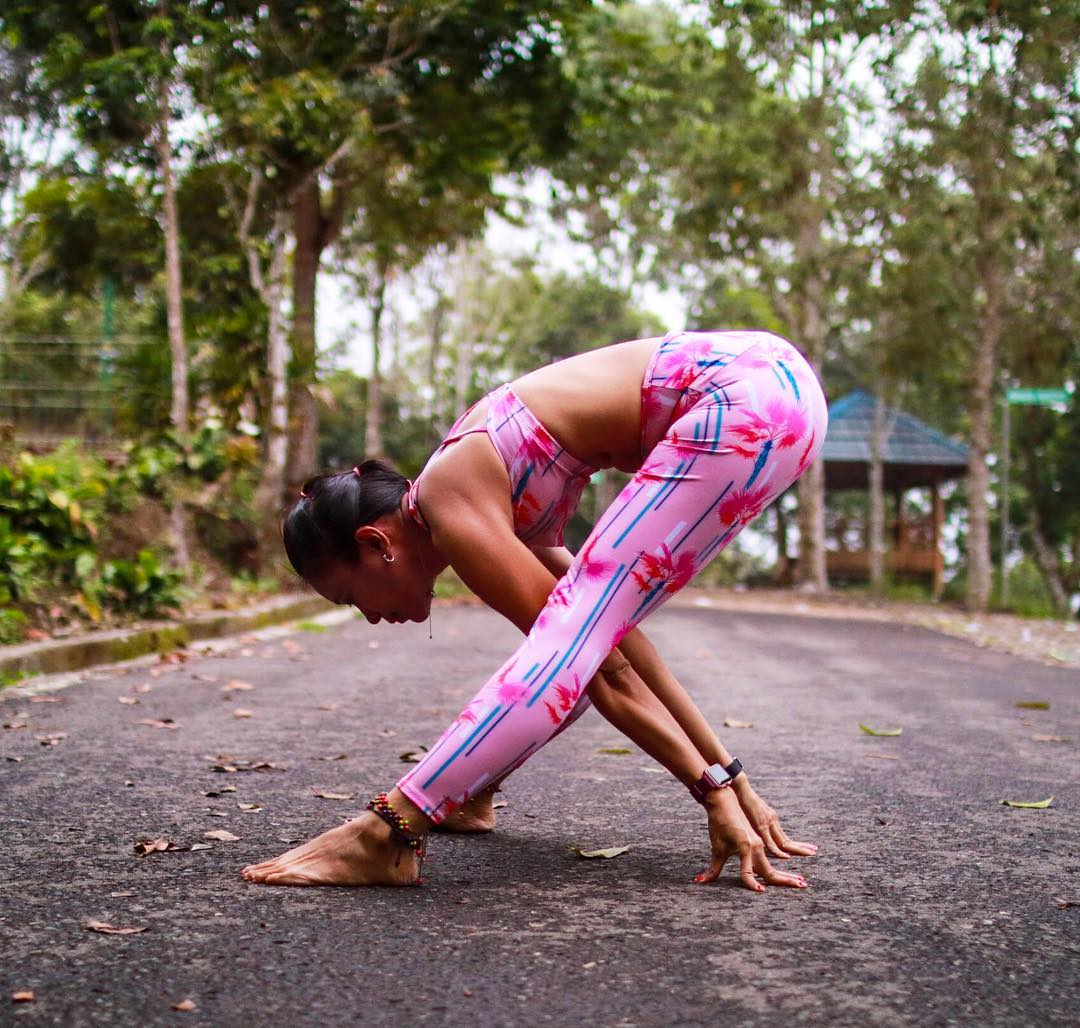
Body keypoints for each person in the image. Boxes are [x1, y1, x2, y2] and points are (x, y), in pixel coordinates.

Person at [241, 329, 828, 892]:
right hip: (783, 390)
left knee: (564, 654)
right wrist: (730, 776)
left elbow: (595, 666)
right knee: (580, 641)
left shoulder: (448, 494)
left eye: (351, 595)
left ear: (376, 544)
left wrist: (714, 790)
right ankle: (468, 791)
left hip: (740, 399)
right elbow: (615, 643)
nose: (368, 616)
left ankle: (385, 833)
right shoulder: (486, 482)